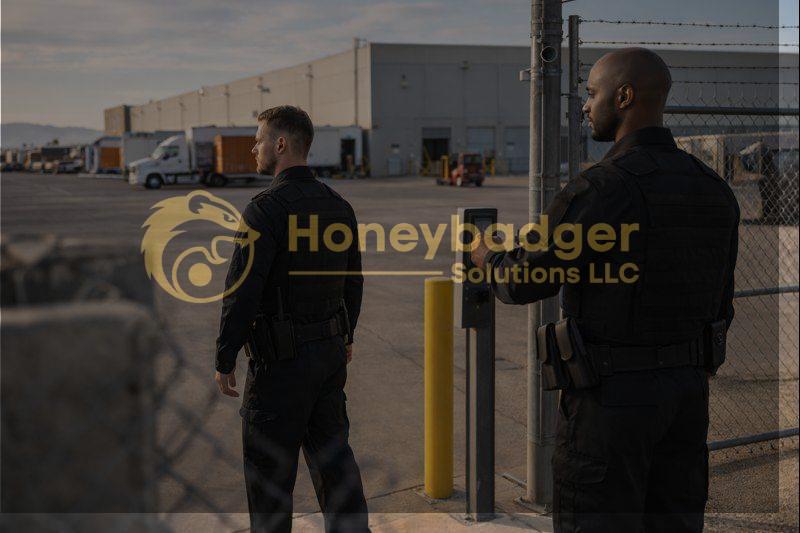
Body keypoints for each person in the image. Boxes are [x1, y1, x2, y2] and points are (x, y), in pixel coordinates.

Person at [472, 48, 740, 532]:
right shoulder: (712, 187)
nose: (585, 105)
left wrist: (488, 256)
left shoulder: (601, 189)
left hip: (610, 406)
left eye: (592, 93)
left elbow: (522, 278)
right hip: (686, 398)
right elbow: (723, 300)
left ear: (624, 96)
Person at [214, 105, 369, 533]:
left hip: (279, 367)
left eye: (260, 139)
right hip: (328, 359)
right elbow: (352, 281)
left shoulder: (265, 208)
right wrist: (347, 334)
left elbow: (241, 290)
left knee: (269, 481)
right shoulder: (339, 206)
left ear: (281, 144)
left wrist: (225, 355)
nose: (254, 147)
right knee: (335, 465)